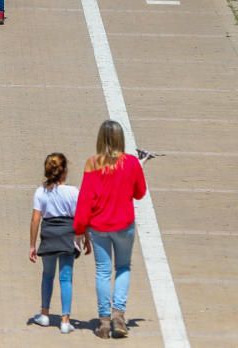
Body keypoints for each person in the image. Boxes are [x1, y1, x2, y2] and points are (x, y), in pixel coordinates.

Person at [73, 121, 147, 339]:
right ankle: (119, 315)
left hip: (98, 227)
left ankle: (104, 320)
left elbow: (85, 199)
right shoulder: (132, 163)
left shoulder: (92, 164)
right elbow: (140, 193)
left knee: (102, 271)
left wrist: (79, 228)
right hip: (124, 225)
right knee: (123, 267)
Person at [29, 153, 90, 335]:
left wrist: (32, 245)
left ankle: (44, 314)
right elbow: (80, 218)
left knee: (47, 275)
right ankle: (65, 320)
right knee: (66, 278)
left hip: (48, 236)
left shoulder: (41, 191)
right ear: (64, 171)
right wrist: (86, 238)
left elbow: (35, 219)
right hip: (67, 236)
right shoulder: (73, 192)